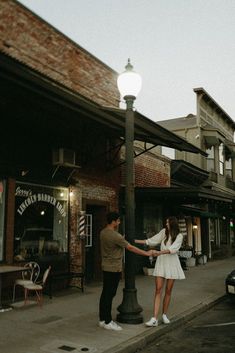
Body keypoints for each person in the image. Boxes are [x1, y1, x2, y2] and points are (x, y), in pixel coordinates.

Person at [99, 211, 157, 331]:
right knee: (110, 294)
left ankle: (102, 319)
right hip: (114, 268)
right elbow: (130, 247)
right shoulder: (116, 236)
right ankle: (108, 321)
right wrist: (146, 253)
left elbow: (115, 243)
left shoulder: (103, 232)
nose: (119, 222)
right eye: (118, 220)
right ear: (114, 221)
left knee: (105, 294)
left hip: (105, 266)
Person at [135, 216, 185, 327]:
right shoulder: (164, 232)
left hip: (172, 264)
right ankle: (154, 318)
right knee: (158, 290)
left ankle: (164, 314)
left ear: (172, 224)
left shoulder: (179, 236)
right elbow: (151, 240)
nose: (166, 224)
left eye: (167, 222)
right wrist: (134, 241)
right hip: (162, 263)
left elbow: (173, 250)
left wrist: (158, 253)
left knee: (168, 290)